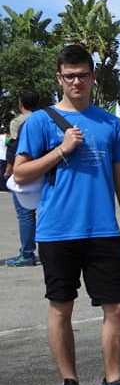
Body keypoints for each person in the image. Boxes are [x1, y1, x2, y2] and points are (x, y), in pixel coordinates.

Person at [14, 43, 120, 385]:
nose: (76, 82)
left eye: (83, 75)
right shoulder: (41, 122)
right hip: (57, 231)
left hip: (103, 230)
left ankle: (113, 381)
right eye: (69, 76)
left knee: (117, 307)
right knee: (61, 308)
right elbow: (20, 171)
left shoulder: (110, 123)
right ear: (59, 78)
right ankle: (69, 384)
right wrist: (61, 150)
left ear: (93, 77)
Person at [5, 89, 40, 267]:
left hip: (25, 171)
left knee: (25, 213)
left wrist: (9, 170)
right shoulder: (44, 118)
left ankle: (26, 253)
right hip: (44, 169)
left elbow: (15, 148)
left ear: (21, 103)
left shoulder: (18, 122)